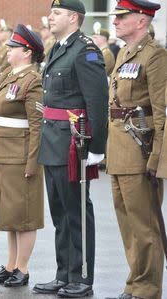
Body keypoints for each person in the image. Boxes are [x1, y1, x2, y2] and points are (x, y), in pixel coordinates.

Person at [34, 0, 108, 297]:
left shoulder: (85, 50)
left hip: (73, 143)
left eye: (57, 13)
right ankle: (63, 273)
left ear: (74, 18)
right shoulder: (58, 47)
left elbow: (97, 102)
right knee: (60, 213)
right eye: (51, 13)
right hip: (53, 139)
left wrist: (97, 147)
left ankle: (82, 277)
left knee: (76, 212)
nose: (50, 17)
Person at [106, 1, 167, 298]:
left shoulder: (155, 56)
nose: (115, 21)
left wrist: (157, 157)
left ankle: (147, 288)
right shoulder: (126, 54)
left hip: (141, 150)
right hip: (120, 147)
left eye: (122, 16)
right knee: (127, 223)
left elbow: (162, 111)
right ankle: (135, 282)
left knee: (145, 226)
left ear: (141, 21)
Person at [0, 24, 44, 288]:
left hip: (18, 156)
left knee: (23, 216)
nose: (8, 50)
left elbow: (37, 125)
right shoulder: (8, 74)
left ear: (27, 53)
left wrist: (33, 161)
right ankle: (10, 265)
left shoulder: (32, 80)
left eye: (13, 48)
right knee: (9, 215)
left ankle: (23, 268)